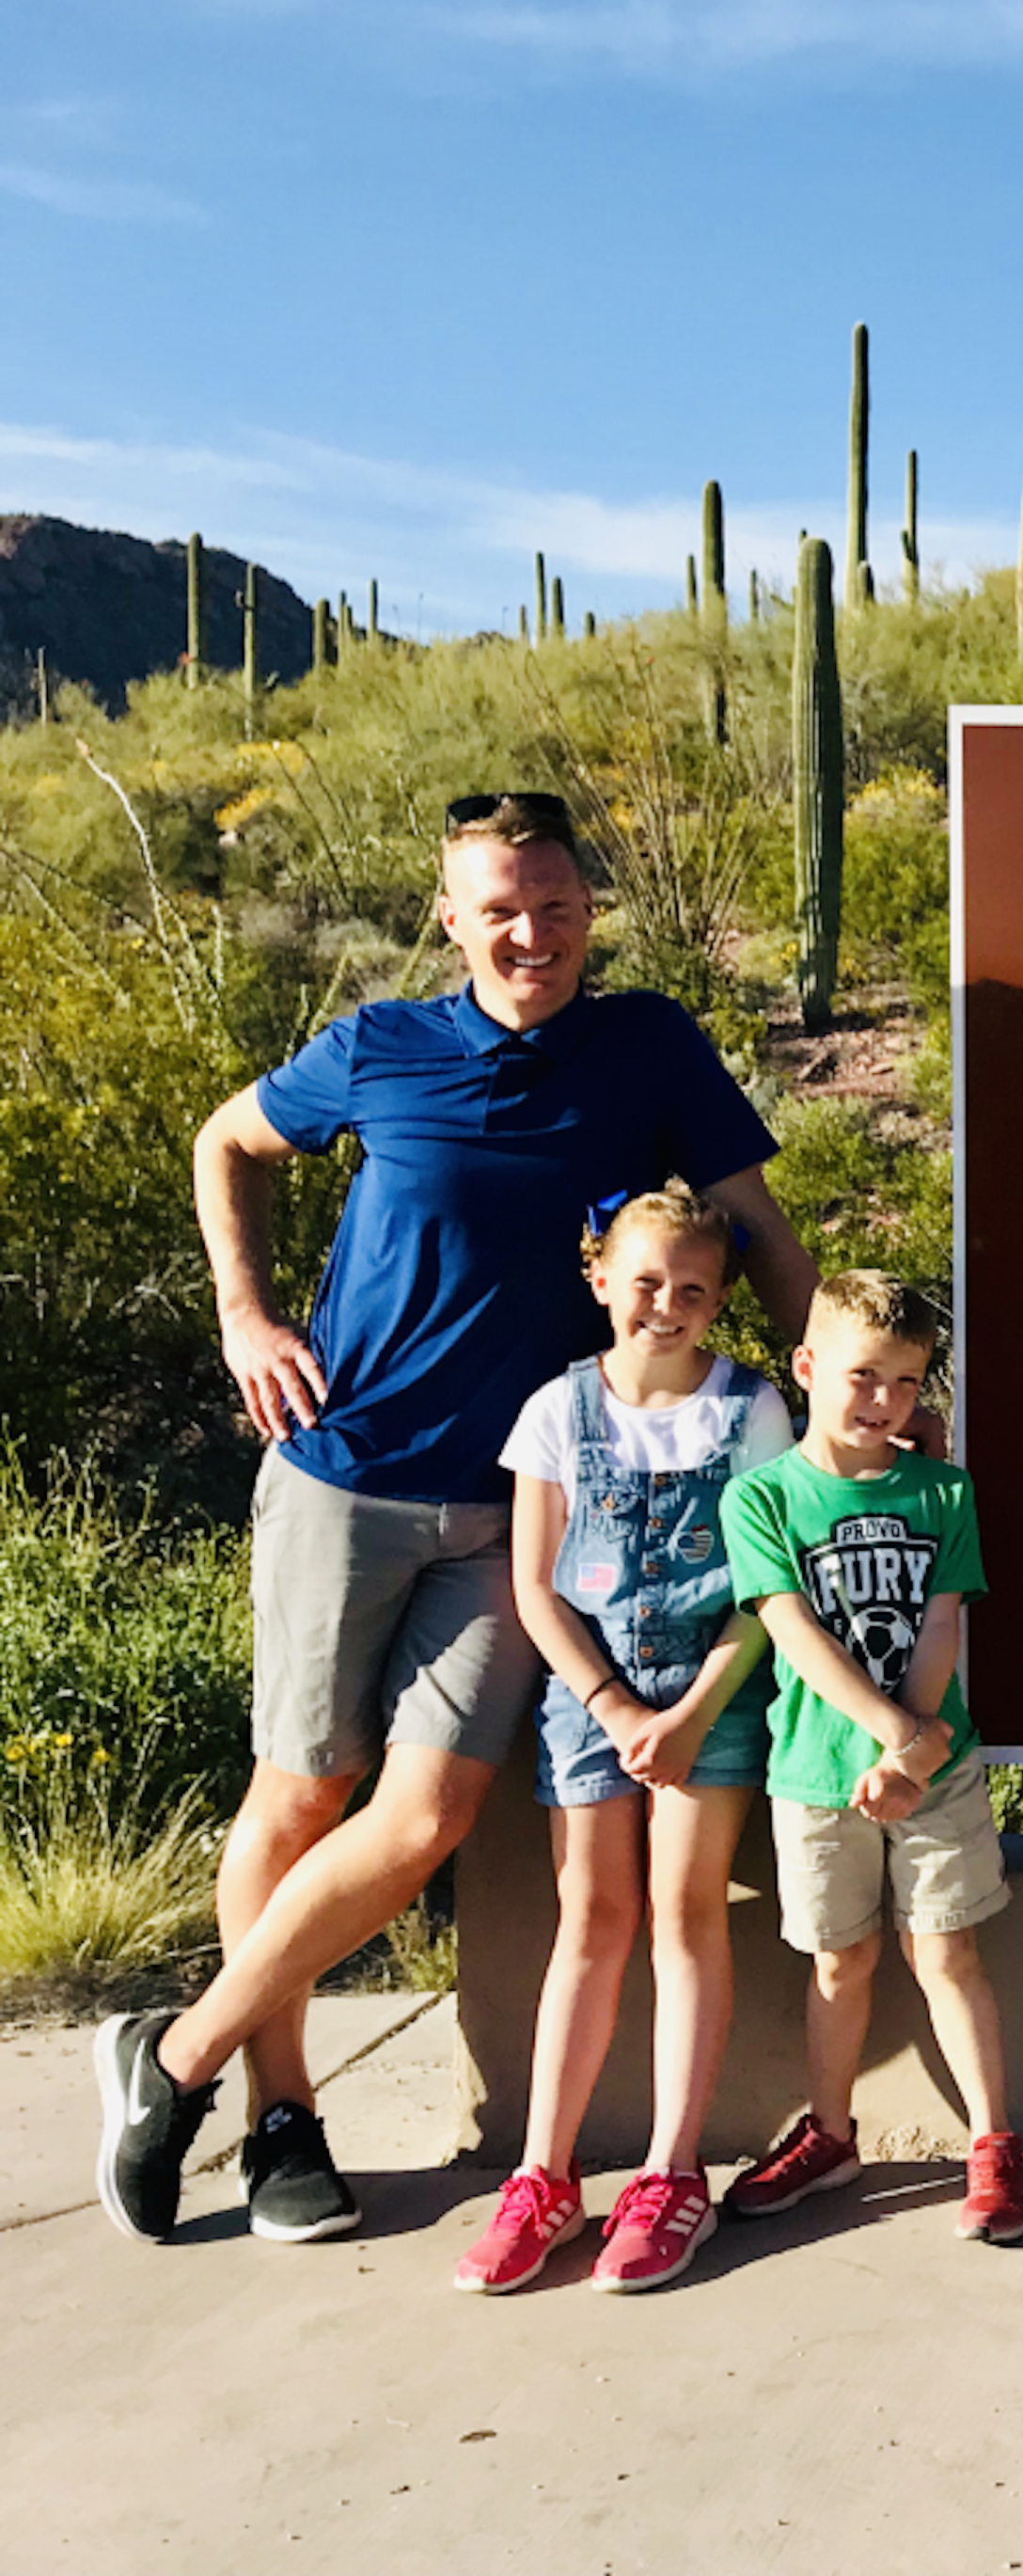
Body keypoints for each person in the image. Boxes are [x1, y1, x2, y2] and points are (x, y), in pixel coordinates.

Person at [99, 791, 812, 2246]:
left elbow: (750, 1222)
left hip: (519, 1507)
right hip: (342, 1466)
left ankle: (174, 2057)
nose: (530, 933)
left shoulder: (647, 1049)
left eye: (554, 905)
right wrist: (245, 1312)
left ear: (587, 909)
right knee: (303, 1793)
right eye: (500, 907)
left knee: (423, 1817)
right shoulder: (378, 1047)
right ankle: (278, 2115)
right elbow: (225, 1141)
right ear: (451, 914)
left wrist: (833, 1400)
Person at [454, 1183, 793, 2296]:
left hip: (714, 1694)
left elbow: (763, 1591)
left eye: (692, 1291)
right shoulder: (557, 1411)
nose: (665, 1306)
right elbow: (537, 1584)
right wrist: (610, 1706)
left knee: (687, 1916)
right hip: (587, 1696)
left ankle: (669, 2171)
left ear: (719, 1302)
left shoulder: (750, 1415)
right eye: (645, 1282)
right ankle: (544, 2175)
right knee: (592, 1917)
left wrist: (690, 1712)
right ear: (600, 1277)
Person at [716, 1270, 1023, 2244]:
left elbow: (942, 1624)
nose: (882, 1402)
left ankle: (993, 2144)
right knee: (840, 1962)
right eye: (861, 1377)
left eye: (903, 1382)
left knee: (947, 1950)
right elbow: (791, 1630)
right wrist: (897, 1738)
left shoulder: (943, 1491)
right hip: (816, 1773)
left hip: (937, 1775)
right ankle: (832, 2134)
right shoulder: (761, 1498)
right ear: (808, 1367)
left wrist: (918, 1754)